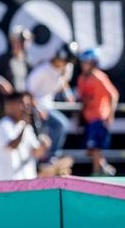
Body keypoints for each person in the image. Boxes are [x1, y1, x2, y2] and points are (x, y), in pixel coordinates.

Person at [26, 43, 76, 162]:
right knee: (37, 139)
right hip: (33, 110)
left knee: (60, 126)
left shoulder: (67, 68)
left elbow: (63, 82)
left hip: (47, 108)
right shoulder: (41, 71)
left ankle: (51, 158)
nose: (63, 64)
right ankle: (38, 162)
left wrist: (68, 93)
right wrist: (37, 108)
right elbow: (27, 93)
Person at [76, 48, 118, 177]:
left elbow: (114, 95)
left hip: (99, 118)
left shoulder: (100, 78)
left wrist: (110, 115)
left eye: (86, 62)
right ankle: (104, 167)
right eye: (82, 62)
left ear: (94, 63)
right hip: (88, 119)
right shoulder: (81, 79)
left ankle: (96, 173)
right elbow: (81, 99)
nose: (84, 65)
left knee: (95, 148)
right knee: (91, 150)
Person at [0, 91, 50, 181]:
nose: (26, 108)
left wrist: (44, 146)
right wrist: (24, 127)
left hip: (27, 182)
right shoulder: (3, 125)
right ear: (9, 105)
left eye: (27, 105)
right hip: (6, 184)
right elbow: (12, 145)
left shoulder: (26, 127)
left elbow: (35, 152)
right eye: (22, 103)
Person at [0, 26, 32, 106]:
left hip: (20, 105)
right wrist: (0, 81)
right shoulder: (5, 58)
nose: (24, 43)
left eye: (26, 40)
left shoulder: (27, 61)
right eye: (22, 40)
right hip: (6, 104)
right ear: (14, 41)